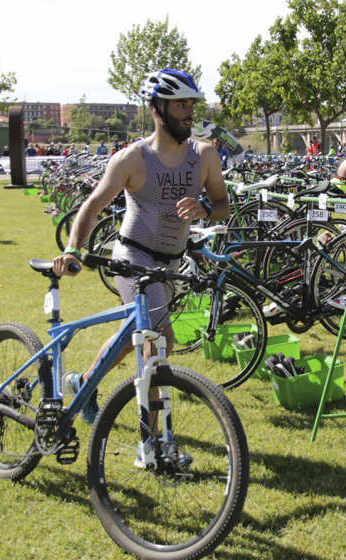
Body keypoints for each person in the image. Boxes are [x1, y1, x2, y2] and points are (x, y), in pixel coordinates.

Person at [50, 69, 228, 431]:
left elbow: (223, 203)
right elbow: (93, 205)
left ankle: (83, 382)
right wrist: (72, 249)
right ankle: (152, 440)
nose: (189, 112)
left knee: (135, 337)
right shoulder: (132, 158)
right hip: (132, 258)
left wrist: (206, 210)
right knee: (159, 338)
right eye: (180, 104)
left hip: (171, 262)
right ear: (158, 110)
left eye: (191, 104)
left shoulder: (205, 155)